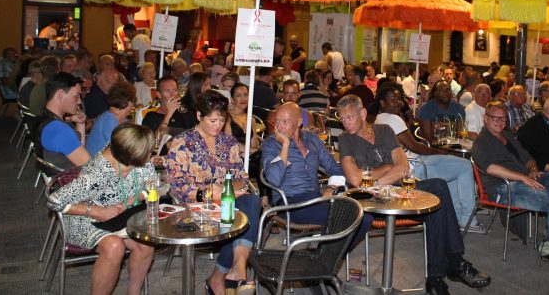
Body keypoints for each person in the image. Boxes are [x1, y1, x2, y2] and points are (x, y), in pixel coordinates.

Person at [336, 95, 491, 293]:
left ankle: (442, 272)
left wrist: (374, 179)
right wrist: (387, 169)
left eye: (349, 117)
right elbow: (356, 180)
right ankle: (450, 268)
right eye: (342, 119)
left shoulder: (385, 130)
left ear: (363, 113)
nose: (346, 123)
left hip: (401, 192)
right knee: (436, 206)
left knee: (438, 188)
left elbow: (403, 167)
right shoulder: (346, 139)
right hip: (374, 201)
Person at [472, 101, 549, 280]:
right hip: (503, 187)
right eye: (495, 118)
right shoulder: (481, 141)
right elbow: (490, 168)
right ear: (485, 118)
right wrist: (523, 177)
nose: (500, 122)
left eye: (503, 119)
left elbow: (527, 156)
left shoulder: (508, 136)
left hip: (524, 179)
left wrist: (532, 169)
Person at [165, 91, 261, 295]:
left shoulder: (228, 142)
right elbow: (177, 186)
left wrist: (225, 190)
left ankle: (236, 268)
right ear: (199, 116)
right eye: (212, 120)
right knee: (237, 217)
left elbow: (241, 177)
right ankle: (225, 275)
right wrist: (206, 193)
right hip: (194, 206)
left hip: (225, 201)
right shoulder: (182, 143)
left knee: (251, 202)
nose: (218, 125)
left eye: (222, 120)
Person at [47, 124, 155, 295]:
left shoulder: (139, 160)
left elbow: (153, 185)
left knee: (145, 243)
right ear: (135, 155)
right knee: (114, 246)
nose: (152, 153)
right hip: (85, 220)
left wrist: (135, 197)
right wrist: (95, 211)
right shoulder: (97, 174)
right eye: (149, 151)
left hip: (119, 217)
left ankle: (134, 293)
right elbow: (55, 201)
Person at [374, 85, 480, 232]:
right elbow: (414, 146)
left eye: (398, 99)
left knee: (455, 166)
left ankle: (457, 216)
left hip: (410, 163)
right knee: (465, 165)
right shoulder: (393, 119)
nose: (398, 102)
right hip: (414, 168)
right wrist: (440, 152)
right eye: (393, 99)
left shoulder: (378, 119)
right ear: (382, 103)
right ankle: (468, 219)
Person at [261, 102, 372, 242]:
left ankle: (327, 253)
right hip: (289, 203)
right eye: (277, 121)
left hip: (316, 199)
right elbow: (274, 180)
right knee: (345, 218)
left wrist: (331, 188)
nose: (279, 126)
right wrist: (285, 145)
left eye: (285, 122)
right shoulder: (270, 144)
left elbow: (334, 168)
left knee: (364, 218)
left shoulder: (311, 138)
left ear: (299, 122)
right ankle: (327, 253)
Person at [35, 72, 91, 169]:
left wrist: (80, 124)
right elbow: (90, 168)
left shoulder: (42, 119)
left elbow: (78, 149)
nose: (79, 101)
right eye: (76, 96)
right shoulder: (59, 130)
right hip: (72, 177)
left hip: (60, 174)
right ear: (60, 95)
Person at [86, 81, 136, 156]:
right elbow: (119, 149)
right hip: (97, 161)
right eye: (133, 100)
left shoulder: (121, 119)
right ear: (129, 102)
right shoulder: (109, 119)